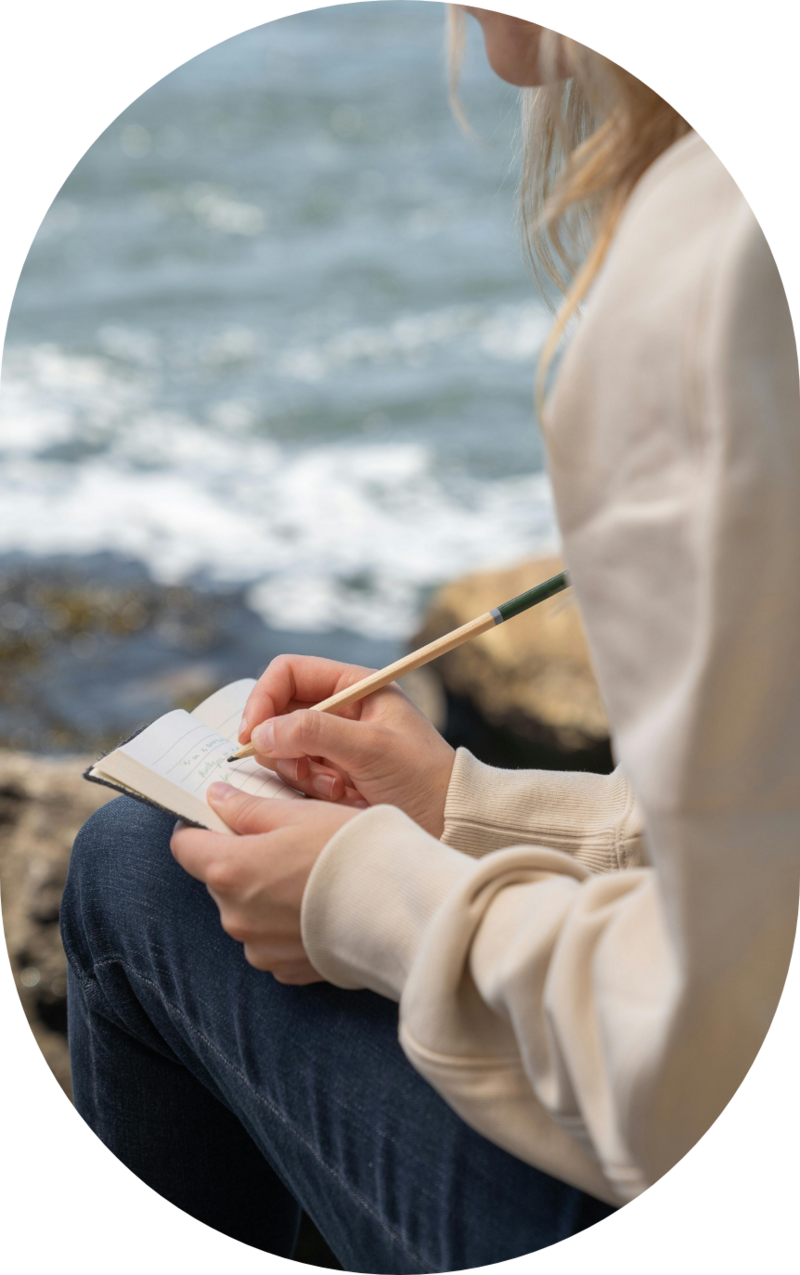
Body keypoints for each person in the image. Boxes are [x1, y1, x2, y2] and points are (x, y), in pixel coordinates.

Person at [60, 8, 799, 1272]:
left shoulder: (695, 274)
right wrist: (462, 810)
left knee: (138, 869)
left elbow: (689, 1066)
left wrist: (361, 897)